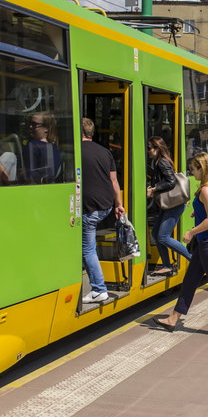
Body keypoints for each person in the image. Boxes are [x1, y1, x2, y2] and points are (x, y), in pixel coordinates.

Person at [154, 152, 208, 338]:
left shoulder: (206, 190)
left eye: (193, 169)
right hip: (207, 243)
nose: (191, 172)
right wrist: (199, 212)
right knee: (190, 281)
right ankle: (173, 318)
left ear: (201, 169)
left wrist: (191, 231)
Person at [81, 117, 124, 304]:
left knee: (88, 249)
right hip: (105, 206)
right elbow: (114, 181)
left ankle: (99, 289)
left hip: (89, 209)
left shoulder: (75, 151)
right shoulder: (105, 152)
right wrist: (118, 205)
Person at [146, 136, 191, 277]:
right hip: (169, 205)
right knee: (155, 234)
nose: (147, 151)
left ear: (157, 148)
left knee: (163, 237)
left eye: (149, 148)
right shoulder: (157, 161)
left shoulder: (162, 162)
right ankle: (167, 265)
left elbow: (171, 182)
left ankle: (194, 259)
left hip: (174, 205)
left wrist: (154, 189)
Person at [24, 112, 61, 183]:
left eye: (34, 124)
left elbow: (29, 175)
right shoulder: (55, 147)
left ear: (46, 128)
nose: (30, 127)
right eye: (30, 123)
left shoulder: (32, 145)